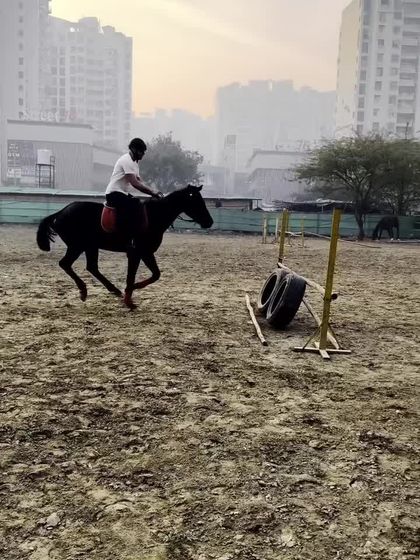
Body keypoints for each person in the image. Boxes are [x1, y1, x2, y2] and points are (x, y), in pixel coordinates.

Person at [105, 138, 162, 247]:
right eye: (141, 151)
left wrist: (153, 190)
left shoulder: (134, 163)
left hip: (122, 193)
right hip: (114, 193)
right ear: (134, 150)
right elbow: (135, 183)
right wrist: (152, 193)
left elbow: (140, 182)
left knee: (138, 204)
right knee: (135, 205)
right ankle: (125, 236)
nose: (143, 154)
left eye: (144, 152)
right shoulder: (126, 160)